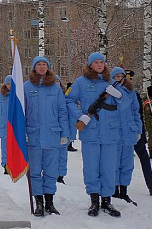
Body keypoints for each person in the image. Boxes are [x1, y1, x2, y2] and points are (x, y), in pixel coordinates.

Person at [66, 52, 123, 218]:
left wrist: (119, 96)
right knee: (91, 168)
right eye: (96, 62)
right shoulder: (81, 82)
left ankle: (107, 200)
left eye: (102, 62)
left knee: (109, 168)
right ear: (90, 65)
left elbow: (125, 104)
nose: (99, 65)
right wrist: (80, 116)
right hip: (91, 131)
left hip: (110, 133)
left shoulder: (111, 82)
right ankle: (94, 201)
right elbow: (69, 100)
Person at [24, 57, 68, 217]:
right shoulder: (27, 87)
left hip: (52, 135)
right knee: (35, 171)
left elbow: (63, 111)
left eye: (44, 65)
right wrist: (23, 134)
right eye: (39, 64)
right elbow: (21, 112)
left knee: (51, 171)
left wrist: (64, 133)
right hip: (33, 135)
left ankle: (50, 202)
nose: (42, 67)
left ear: (48, 67)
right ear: (34, 68)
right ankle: (39, 203)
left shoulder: (55, 88)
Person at [109, 67, 141, 206]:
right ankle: (114, 191)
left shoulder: (131, 92)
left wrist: (138, 129)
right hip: (115, 132)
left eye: (121, 76)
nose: (120, 78)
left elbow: (136, 112)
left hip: (128, 132)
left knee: (127, 164)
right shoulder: (109, 92)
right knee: (114, 163)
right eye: (116, 76)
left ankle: (124, 191)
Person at [54, 75, 72, 184]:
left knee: (62, 154)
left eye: (58, 81)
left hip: (64, 129)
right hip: (53, 129)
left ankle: (61, 175)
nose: (56, 83)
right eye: (54, 81)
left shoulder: (66, 96)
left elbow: (69, 116)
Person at [0, 75, 12, 174]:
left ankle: (13, 165)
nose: (9, 86)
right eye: (8, 84)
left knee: (14, 147)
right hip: (3, 126)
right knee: (4, 148)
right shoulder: (1, 96)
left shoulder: (17, 95)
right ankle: (5, 165)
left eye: (11, 84)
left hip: (14, 127)